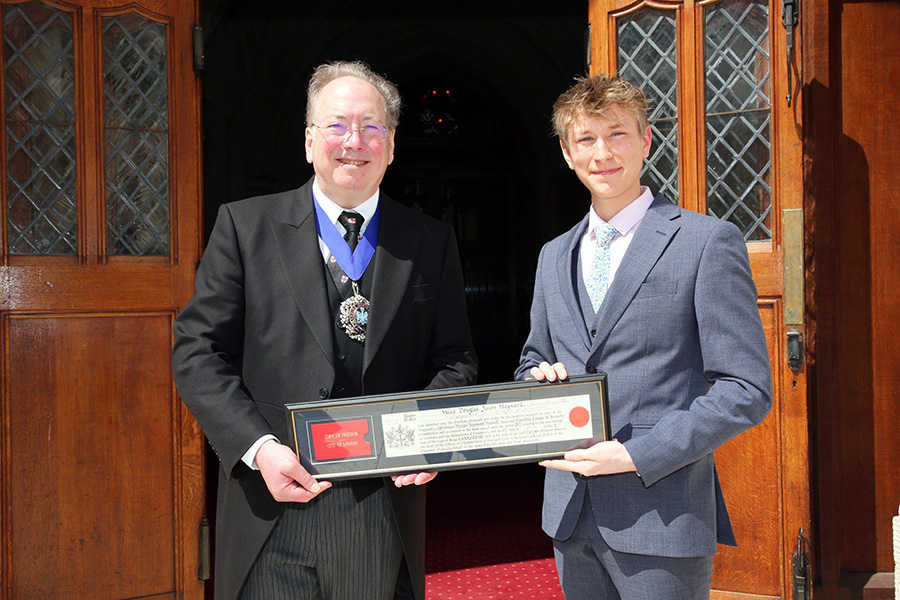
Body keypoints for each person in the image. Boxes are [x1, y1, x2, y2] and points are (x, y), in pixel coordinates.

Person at [173, 61, 477, 600]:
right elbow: (197, 352)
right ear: (310, 140)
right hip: (269, 502)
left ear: (390, 144)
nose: (353, 141)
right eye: (337, 125)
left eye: (371, 127)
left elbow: (453, 360)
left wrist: (426, 440)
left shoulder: (430, 241)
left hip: (378, 512)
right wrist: (259, 448)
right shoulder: (244, 227)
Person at [514, 74, 773, 599]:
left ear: (648, 140)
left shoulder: (705, 242)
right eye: (586, 139)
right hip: (569, 514)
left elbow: (746, 389)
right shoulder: (552, 255)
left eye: (617, 134)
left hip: (663, 515)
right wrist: (540, 379)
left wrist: (635, 455)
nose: (603, 153)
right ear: (566, 152)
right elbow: (533, 358)